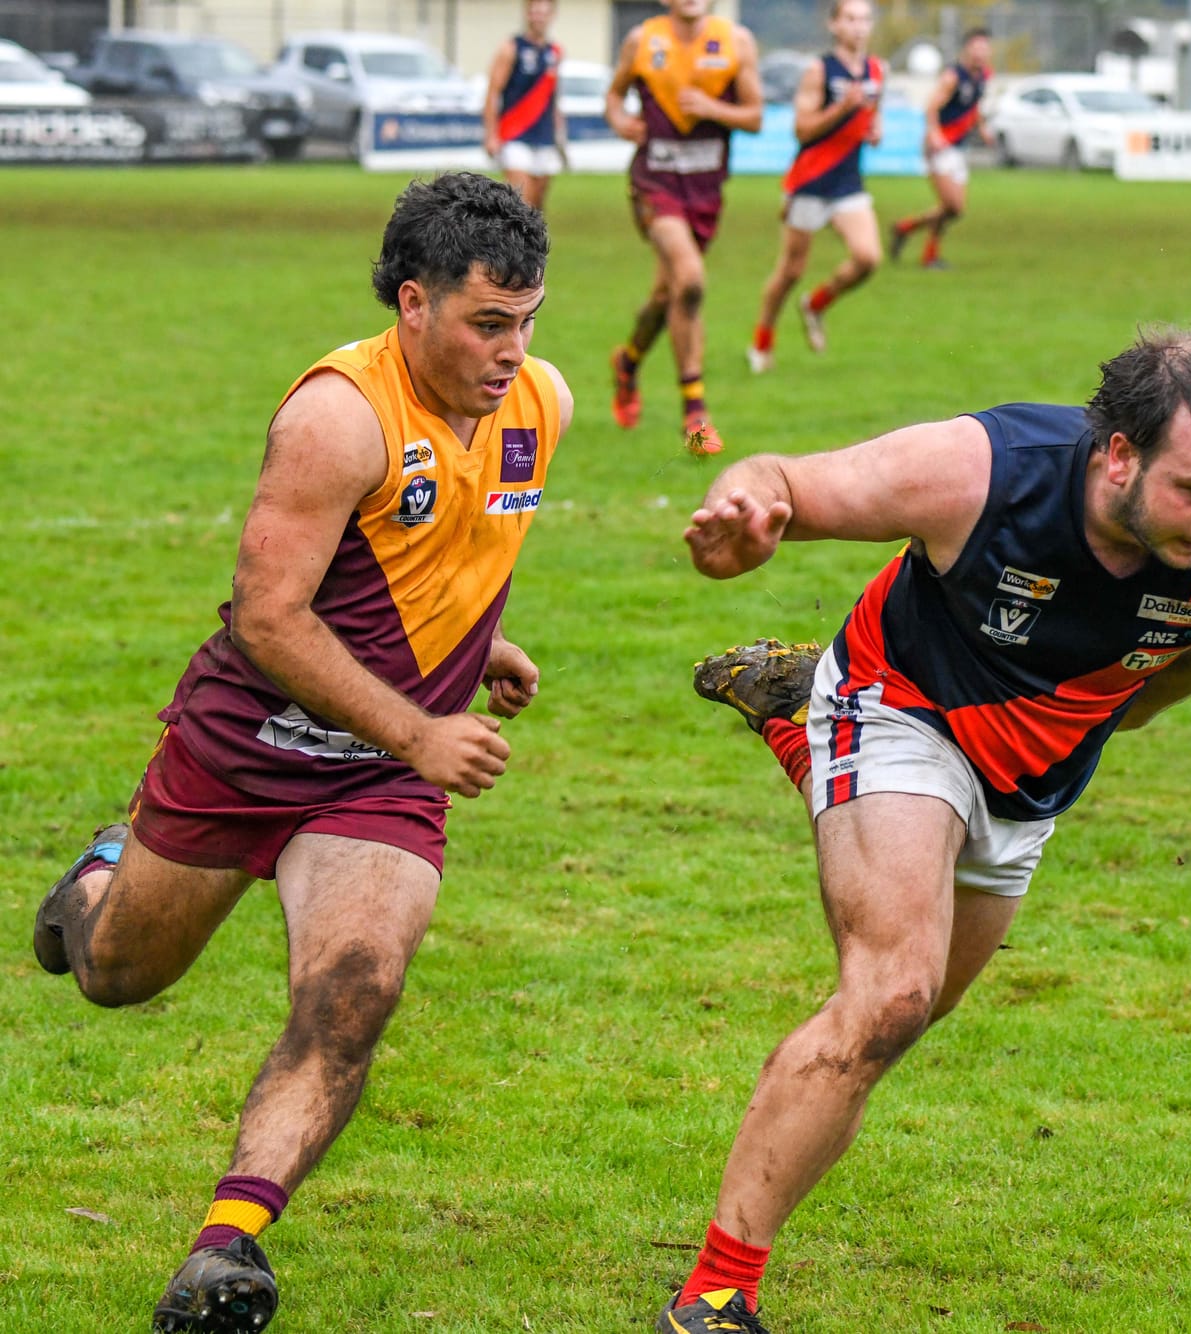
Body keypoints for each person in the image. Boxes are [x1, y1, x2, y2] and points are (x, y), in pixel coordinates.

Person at [662, 325, 1191, 1332]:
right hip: (899, 699)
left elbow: (1179, 672)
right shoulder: (978, 473)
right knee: (887, 994)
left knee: (904, 1022)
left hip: (1031, 778)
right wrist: (746, 512)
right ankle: (713, 1293)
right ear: (1119, 455)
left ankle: (796, 735)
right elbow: (781, 475)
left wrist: (1074, 724)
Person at [31, 172, 573, 1334]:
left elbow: (445, 550)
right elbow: (270, 614)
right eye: (488, 322)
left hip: (377, 781)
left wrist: (479, 647)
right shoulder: (337, 416)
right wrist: (422, 723)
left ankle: (228, 1244)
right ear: (413, 303)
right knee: (116, 974)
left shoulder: (540, 400)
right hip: (249, 742)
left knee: (353, 991)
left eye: (528, 319)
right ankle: (95, 875)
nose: (511, 349)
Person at [607, 0, 764, 454]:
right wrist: (621, 121)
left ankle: (629, 361)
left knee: (668, 294)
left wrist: (713, 107)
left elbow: (755, 116)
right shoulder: (642, 40)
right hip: (654, 185)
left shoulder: (736, 42)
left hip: (705, 192)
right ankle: (694, 411)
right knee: (691, 280)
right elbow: (614, 96)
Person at [745, 0, 884, 374]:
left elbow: (873, 115)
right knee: (790, 271)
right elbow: (801, 129)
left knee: (868, 258)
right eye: (850, 19)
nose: (858, 26)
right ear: (835, 25)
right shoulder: (818, 70)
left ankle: (816, 304)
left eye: (864, 19)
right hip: (810, 182)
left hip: (848, 183)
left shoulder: (876, 71)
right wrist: (842, 109)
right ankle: (761, 342)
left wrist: (874, 129)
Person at [889, 28, 991, 271]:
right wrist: (934, 134)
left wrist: (982, 128)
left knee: (952, 210)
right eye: (976, 47)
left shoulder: (983, 77)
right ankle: (909, 232)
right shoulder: (953, 76)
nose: (980, 52)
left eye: (984, 47)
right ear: (967, 49)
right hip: (939, 148)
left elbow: (973, 107)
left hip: (957, 148)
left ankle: (915, 239)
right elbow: (931, 107)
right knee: (953, 206)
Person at [482, 0, 568, 211]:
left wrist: (560, 135)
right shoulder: (511, 48)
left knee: (537, 208)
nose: (539, 16)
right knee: (521, 204)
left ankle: (529, 245)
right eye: (535, 11)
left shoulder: (555, 52)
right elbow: (493, 93)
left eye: (544, 12)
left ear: (552, 15)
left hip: (544, 136)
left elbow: (554, 97)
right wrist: (491, 135)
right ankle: (510, 244)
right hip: (515, 134)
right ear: (527, 13)